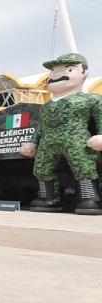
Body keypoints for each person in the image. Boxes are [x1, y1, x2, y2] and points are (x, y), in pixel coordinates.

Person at [20, 53, 102, 214]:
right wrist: (32, 142)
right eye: (53, 71)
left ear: (84, 73)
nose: (57, 75)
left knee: (83, 167)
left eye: (69, 69)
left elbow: (100, 117)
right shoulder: (47, 105)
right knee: (41, 169)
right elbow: (41, 126)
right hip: (48, 141)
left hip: (77, 139)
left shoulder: (91, 99)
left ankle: (89, 198)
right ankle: (48, 198)